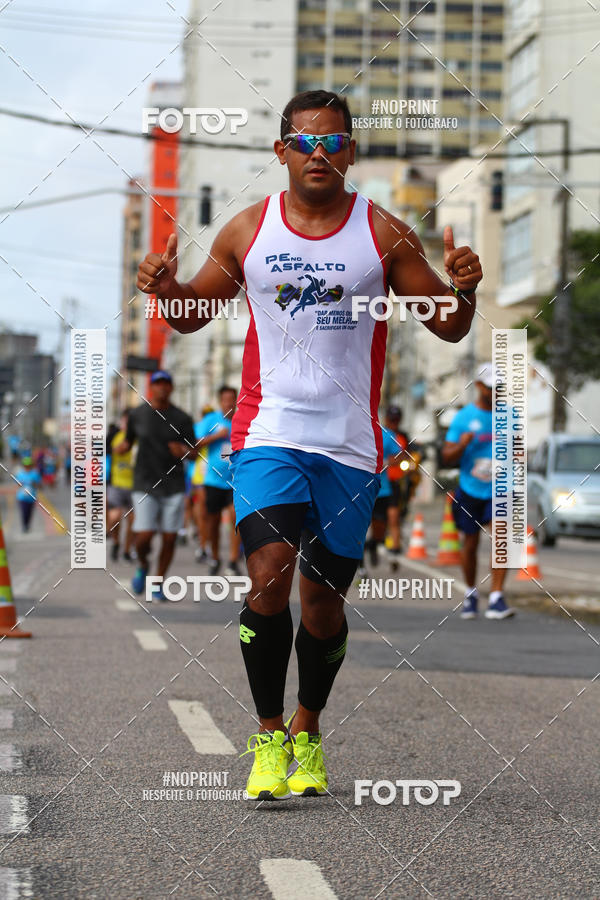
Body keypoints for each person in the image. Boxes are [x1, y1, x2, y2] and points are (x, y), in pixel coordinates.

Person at [136, 89, 480, 800]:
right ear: (281, 152)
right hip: (269, 432)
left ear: (350, 152)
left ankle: (308, 728)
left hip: (352, 446)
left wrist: (466, 292)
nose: (317, 154)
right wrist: (166, 288)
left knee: (323, 605)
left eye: (331, 143)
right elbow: (193, 315)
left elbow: (446, 325)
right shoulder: (246, 231)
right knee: (268, 573)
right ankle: (266, 736)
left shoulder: (383, 233)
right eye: (304, 143)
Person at [115, 371, 198, 601]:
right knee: (144, 536)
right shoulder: (138, 414)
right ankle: (142, 563)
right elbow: (128, 441)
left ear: (171, 388)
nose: (162, 388)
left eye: (166, 384)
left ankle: (158, 582)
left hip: (174, 484)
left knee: (170, 538)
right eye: (158, 384)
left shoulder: (182, 418)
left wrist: (183, 451)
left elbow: (195, 452)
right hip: (144, 482)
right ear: (151, 388)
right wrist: (121, 448)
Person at [442, 363, 514, 620]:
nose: (497, 392)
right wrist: (461, 446)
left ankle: (496, 597)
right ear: (479, 386)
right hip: (471, 489)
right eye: (492, 387)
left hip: (501, 488)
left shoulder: (511, 415)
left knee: (502, 540)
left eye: (500, 388)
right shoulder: (464, 418)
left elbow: (517, 451)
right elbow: (447, 455)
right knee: (470, 543)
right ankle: (471, 593)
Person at [194, 387, 241, 576]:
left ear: (236, 401)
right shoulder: (211, 420)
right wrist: (217, 436)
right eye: (225, 400)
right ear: (220, 402)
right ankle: (214, 557)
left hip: (235, 481)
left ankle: (232, 560)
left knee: (236, 518)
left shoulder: (241, 421)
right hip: (213, 481)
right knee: (212, 522)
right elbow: (194, 444)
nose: (229, 403)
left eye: (232, 399)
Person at [107, 410, 135, 563]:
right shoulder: (115, 436)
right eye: (126, 421)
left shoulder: (139, 438)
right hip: (116, 483)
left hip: (135, 484)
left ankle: (127, 550)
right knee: (115, 517)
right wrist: (116, 449)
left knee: (133, 521)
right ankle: (116, 541)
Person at [15, 456, 41, 533]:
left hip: (31, 497)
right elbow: (17, 484)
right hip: (21, 497)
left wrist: (34, 484)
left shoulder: (35, 474)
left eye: (29, 465)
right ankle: (24, 526)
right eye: (26, 466)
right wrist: (21, 484)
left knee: (29, 512)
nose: (27, 467)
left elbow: (39, 485)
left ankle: (28, 524)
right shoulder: (20, 474)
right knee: (24, 512)